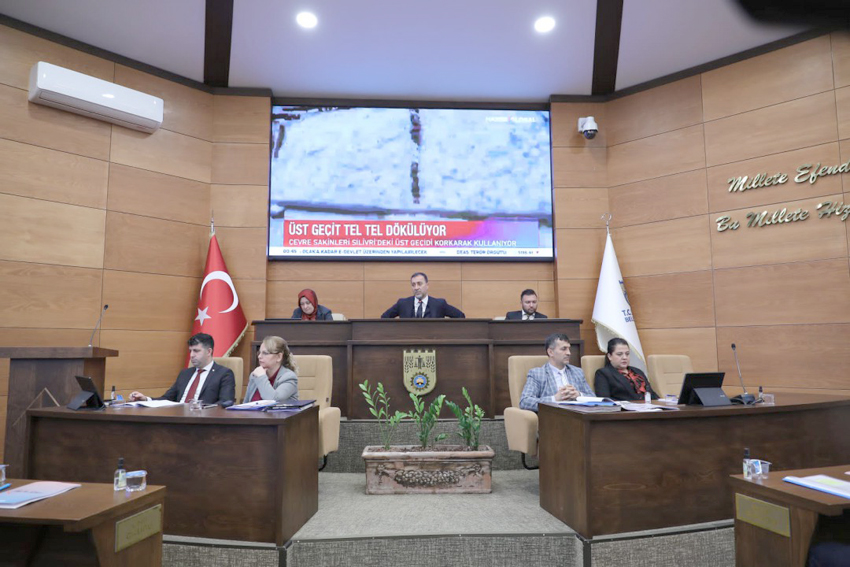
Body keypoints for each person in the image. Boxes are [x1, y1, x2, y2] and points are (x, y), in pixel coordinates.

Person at [130, 333, 235, 406]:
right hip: (177, 420)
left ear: (208, 351)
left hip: (203, 423)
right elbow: (168, 398)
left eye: (196, 351)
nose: (192, 355)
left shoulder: (224, 374)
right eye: (190, 351)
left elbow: (225, 403)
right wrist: (146, 399)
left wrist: (200, 409)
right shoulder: (185, 373)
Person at [520, 333, 593, 411]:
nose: (569, 353)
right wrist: (555, 398)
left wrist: (578, 395)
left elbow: (593, 398)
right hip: (553, 419)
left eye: (569, 349)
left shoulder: (577, 372)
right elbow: (525, 402)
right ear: (550, 352)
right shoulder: (537, 374)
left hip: (578, 418)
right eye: (564, 349)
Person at [594, 338, 658, 401]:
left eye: (627, 354)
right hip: (625, 410)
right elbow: (605, 400)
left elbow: (652, 395)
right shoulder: (603, 373)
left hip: (650, 409)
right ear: (609, 356)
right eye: (619, 354)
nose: (624, 357)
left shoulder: (638, 371)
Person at [381, 272, 465, 318]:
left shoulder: (439, 304)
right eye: (413, 285)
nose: (416, 288)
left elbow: (460, 316)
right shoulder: (402, 304)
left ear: (427, 285)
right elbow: (384, 318)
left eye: (419, 284)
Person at [243, 335, 298, 402]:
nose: (259, 356)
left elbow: (273, 400)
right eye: (259, 353)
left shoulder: (288, 377)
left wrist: (261, 377)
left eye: (265, 353)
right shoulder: (255, 375)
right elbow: (245, 404)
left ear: (279, 357)